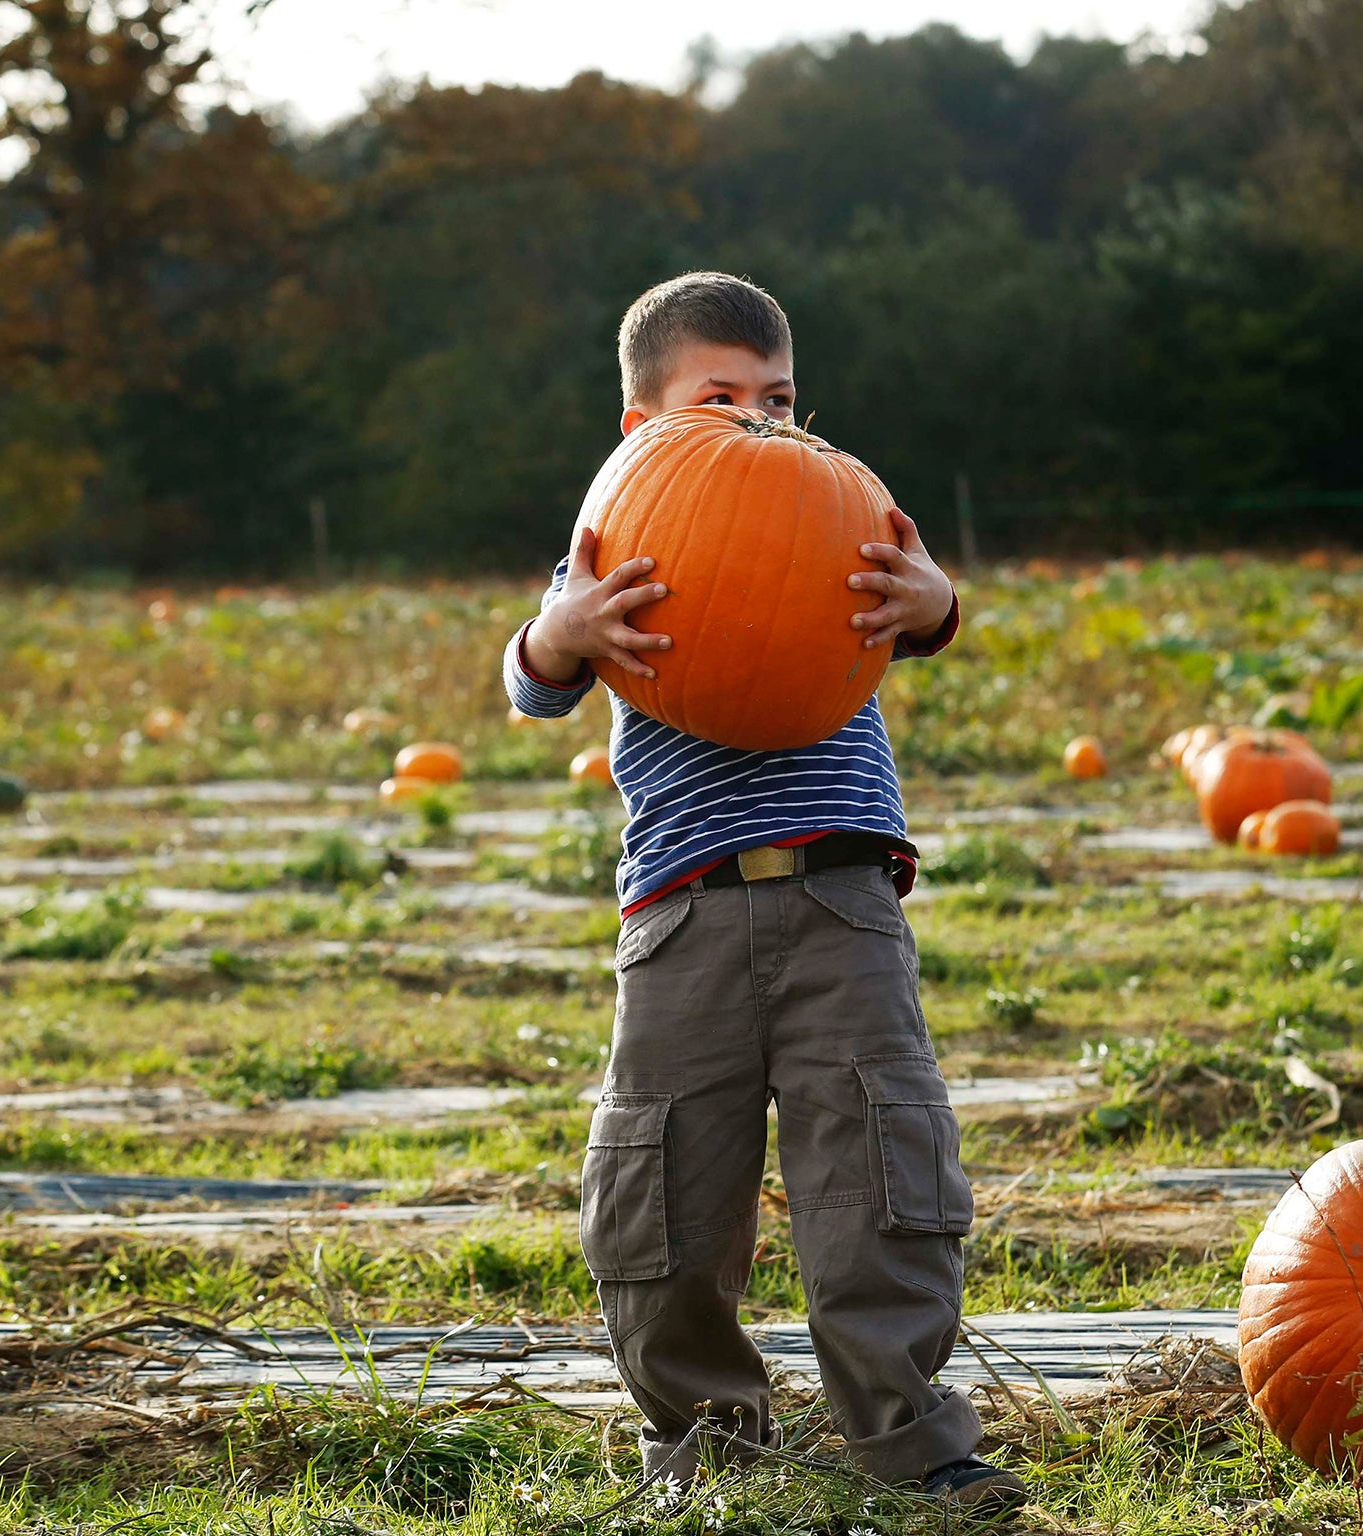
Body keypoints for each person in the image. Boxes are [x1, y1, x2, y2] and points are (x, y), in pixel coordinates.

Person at [501, 271, 1027, 1517]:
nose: (757, 420)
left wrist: (934, 604)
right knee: (667, 1182)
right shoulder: (614, 539)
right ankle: (699, 1441)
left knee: (878, 1170)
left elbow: (924, 607)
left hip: (841, 898)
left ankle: (909, 1439)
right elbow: (530, 680)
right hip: (681, 914)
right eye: (720, 396)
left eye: (778, 398)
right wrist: (560, 634)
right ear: (646, 426)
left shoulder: (839, 513)